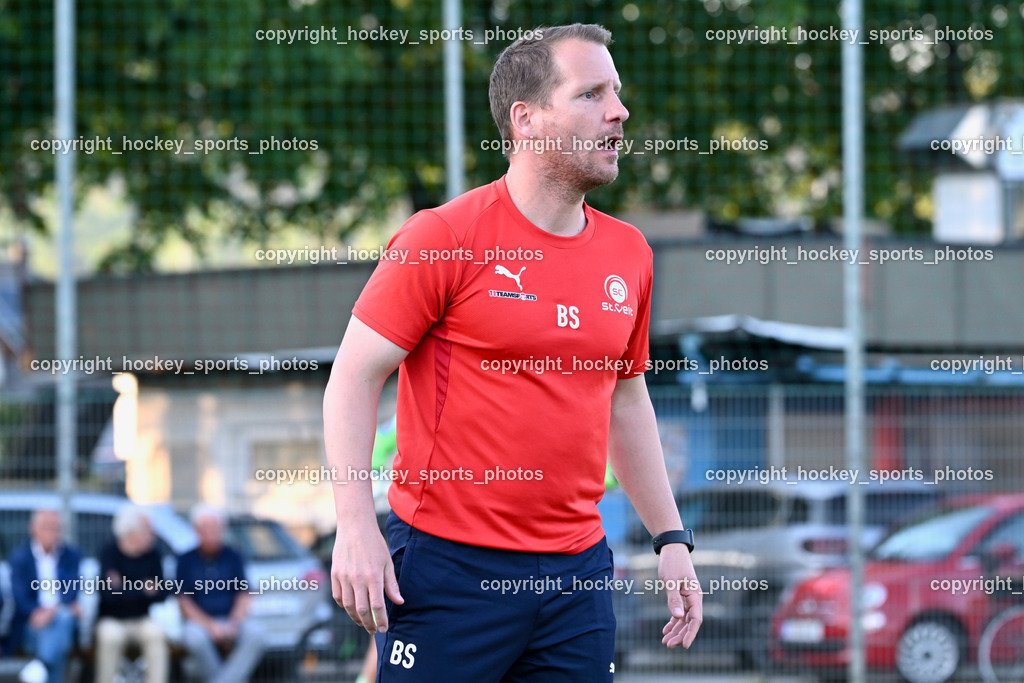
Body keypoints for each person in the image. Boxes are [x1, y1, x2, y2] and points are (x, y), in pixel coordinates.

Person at [324, 23, 702, 681]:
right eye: (590, 94)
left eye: (616, 92)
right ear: (526, 120)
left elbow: (625, 396)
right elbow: (353, 378)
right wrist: (355, 526)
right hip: (447, 568)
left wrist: (671, 538)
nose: (619, 112)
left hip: (576, 576)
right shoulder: (442, 236)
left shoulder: (629, 254)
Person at [176, 504, 264, 683]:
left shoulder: (234, 557)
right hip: (199, 623)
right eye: (205, 529)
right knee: (195, 638)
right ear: (196, 531)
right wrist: (210, 626)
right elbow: (184, 602)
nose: (210, 534)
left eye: (215, 529)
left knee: (257, 634)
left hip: (230, 620)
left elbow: (243, 595)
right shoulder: (185, 560)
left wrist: (233, 623)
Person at [94, 505, 169, 683]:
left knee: (156, 634)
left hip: (142, 619)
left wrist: (124, 589)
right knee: (110, 636)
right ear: (132, 532)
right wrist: (143, 590)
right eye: (148, 530)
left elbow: (163, 593)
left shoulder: (153, 555)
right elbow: (109, 596)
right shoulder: (109, 553)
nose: (153, 535)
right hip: (112, 619)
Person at [8, 508, 82, 683]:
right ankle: (44, 664)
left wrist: (52, 611)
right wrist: (37, 612)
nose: (53, 532)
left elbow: (71, 590)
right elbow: (20, 596)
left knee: (61, 620)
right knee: (57, 640)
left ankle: (41, 663)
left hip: (60, 617)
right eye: (47, 527)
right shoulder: (20, 557)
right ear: (33, 529)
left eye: (56, 527)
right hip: (31, 622)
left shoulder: (71, 555)